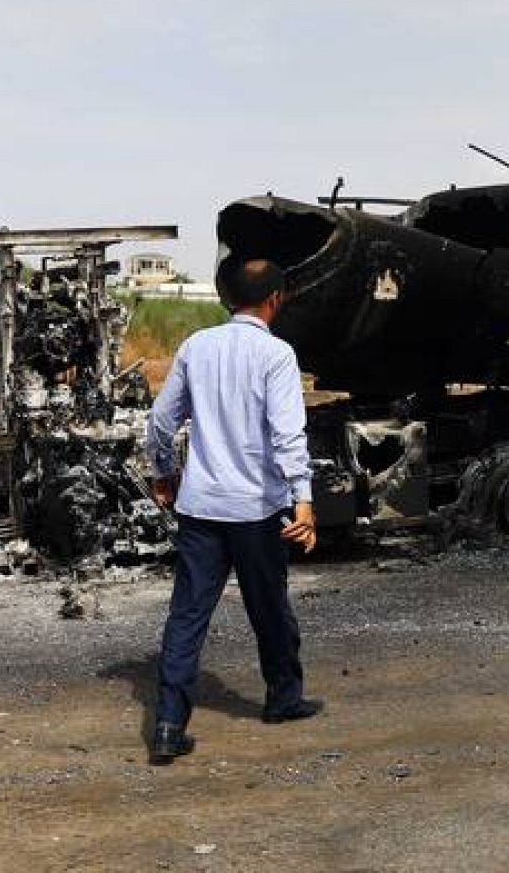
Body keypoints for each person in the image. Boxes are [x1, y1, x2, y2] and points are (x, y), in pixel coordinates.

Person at [144, 258, 322, 765]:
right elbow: (289, 434)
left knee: (187, 615)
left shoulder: (196, 347)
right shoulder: (277, 354)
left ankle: (167, 725)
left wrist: (163, 473)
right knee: (269, 607)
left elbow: (162, 420)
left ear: (228, 299)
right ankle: (282, 699)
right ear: (275, 300)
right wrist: (303, 499)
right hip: (257, 510)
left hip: (200, 508)